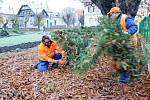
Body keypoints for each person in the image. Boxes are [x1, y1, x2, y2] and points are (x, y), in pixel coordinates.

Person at [107, 7, 138, 83]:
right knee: (117, 59)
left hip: (129, 42)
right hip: (121, 43)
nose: (110, 16)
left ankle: (124, 79)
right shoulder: (113, 20)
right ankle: (125, 74)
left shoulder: (125, 18)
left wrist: (127, 33)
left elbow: (134, 27)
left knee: (124, 60)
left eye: (111, 14)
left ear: (115, 13)